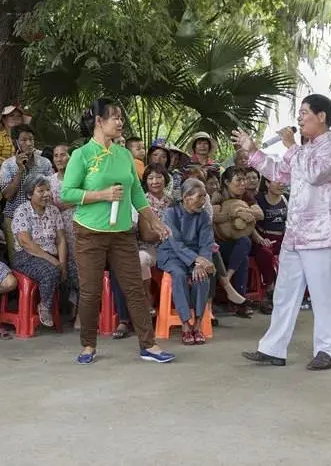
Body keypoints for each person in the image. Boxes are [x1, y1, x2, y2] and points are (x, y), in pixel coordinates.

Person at [236, 93, 331, 371]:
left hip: (322, 234)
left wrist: (290, 146)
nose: (299, 118)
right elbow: (279, 173)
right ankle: (273, 348)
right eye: (299, 114)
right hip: (296, 234)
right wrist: (253, 151)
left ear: (321, 116)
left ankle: (327, 350)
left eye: (304, 113)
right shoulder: (302, 150)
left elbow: (315, 174)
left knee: (323, 295)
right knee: (284, 293)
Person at [61, 98, 174, 365]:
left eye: (121, 117)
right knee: (90, 292)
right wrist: (101, 194)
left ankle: (149, 345)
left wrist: (153, 220)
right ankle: (88, 344)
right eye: (114, 117)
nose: (120, 122)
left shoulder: (125, 156)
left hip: (123, 232)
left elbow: (136, 192)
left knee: (134, 288)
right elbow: (66, 194)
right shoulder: (82, 155)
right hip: (90, 232)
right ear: (99, 122)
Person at [111, 163, 172, 339]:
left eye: (159, 177)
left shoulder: (173, 202)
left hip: (167, 247)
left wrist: (165, 232)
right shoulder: (139, 201)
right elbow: (145, 234)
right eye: (151, 178)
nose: (155, 181)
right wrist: (165, 231)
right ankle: (141, 302)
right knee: (133, 261)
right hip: (142, 247)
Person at [12, 176, 77, 328]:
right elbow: (26, 243)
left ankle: (77, 314)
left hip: (51, 255)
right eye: (41, 191)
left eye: (48, 190)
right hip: (26, 256)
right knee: (51, 271)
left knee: (77, 273)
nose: (46, 194)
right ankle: (45, 306)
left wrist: (62, 262)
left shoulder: (54, 211)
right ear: (30, 194)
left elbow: (61, 239)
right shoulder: (22, 211)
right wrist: (54, 262)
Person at [157, 178, 215, 345]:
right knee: (179, 274)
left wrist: (200, 263)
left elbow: (206, 243)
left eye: (204, 196)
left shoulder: (203, 215)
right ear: (186, 197)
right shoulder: (171, 213)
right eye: (200, 197)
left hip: (197, 256)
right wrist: (196, 260)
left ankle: (197, 324)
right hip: (172, 254)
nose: (203, 201)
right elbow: (176, 244)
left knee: (203, 276)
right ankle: (185, 325)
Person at [0, 124, 53, 262]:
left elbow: (51, 191)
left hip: (40, 218)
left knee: (42, 257)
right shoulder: (8, 165)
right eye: (23, 140)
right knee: (18, 260)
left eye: (31, 139)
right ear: (15, 142)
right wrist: (20, 170)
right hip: (13, 218)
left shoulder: (45, 163)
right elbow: (7, 195)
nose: (28, 143)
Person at [213, 166, 263, 316]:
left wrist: (246, 211)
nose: (243, 183)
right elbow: (214, 217)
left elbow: (260, 214)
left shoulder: (247, 196)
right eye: (239, 180)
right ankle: (238, 302)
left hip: (237, 244)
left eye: (244, 180)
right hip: (219, 245)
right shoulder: (218, 196)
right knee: (243, 257)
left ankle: (227, 279)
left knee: (244, 244)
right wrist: (234, 213)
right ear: (227, 182)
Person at [251, 178, 288, 310]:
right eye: (276, 181)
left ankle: (290, 292)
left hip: (282, 238)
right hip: (263, 238)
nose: (281, 184)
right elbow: (250, 224)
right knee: (264, 254)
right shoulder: (258, 199)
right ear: (267, 183)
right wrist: (260, 239)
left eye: (282, 181)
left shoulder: (286, 198)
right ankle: (270, 289)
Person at [0, 105, 25, 186]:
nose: (15, 118)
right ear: (4, 119)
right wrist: (13, 164)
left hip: (21, 179)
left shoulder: (24, 138)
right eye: (11, 115)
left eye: (18, 116)